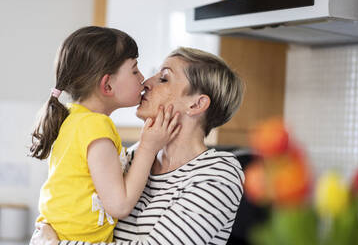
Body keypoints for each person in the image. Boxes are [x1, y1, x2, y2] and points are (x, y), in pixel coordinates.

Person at [31, 47, 245, 245]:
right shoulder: (131, 158)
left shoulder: (217, 174)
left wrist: (57, 244)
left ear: (196, 104)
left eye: (164, 78)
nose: (146, 83)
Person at [29, 26, 180, 243]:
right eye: (134, 70)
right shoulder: (96, 126)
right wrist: (149, 147)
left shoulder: (74, 117)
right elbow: (120, 205)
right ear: (107, 85)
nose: (143, 78)